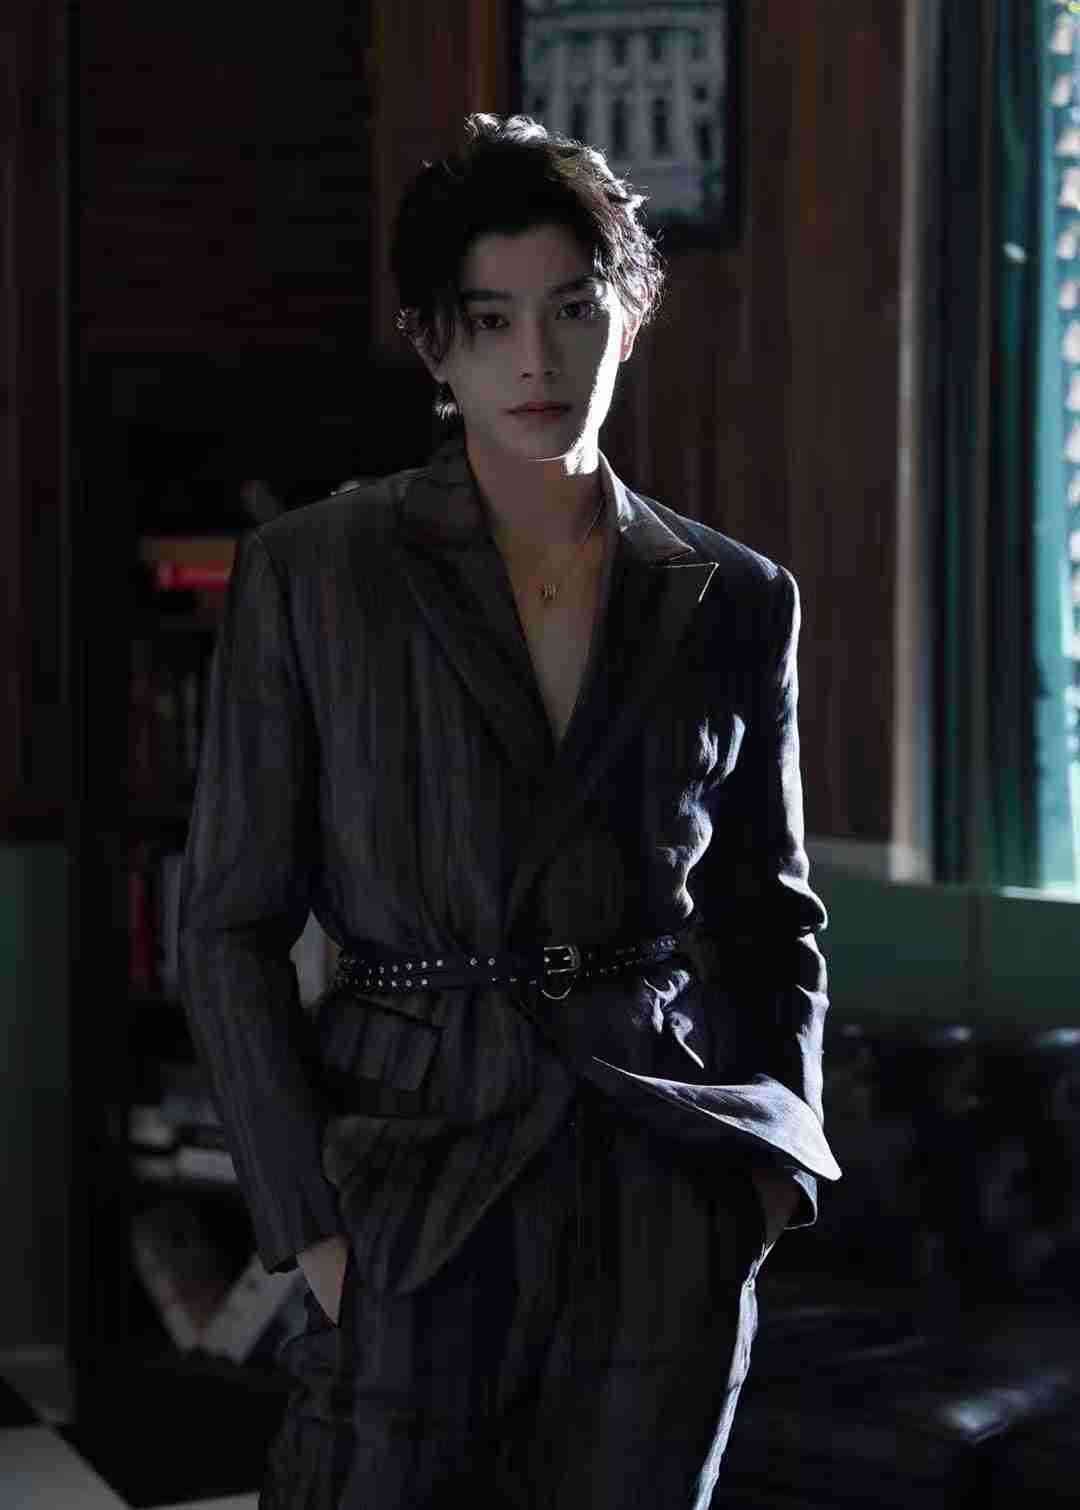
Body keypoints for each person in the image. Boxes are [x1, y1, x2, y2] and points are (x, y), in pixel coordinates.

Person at [178, 112, 841, 1510]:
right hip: (408, 1186)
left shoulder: (734, 596)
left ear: (630, 315)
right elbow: (230, 926)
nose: (536, 359)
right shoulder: (316, 575)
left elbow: (770, 915)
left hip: (656, 1192)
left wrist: (767, 1173)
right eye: (491, 322)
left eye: (572, 309)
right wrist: (311, 1231)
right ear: (435, 346)